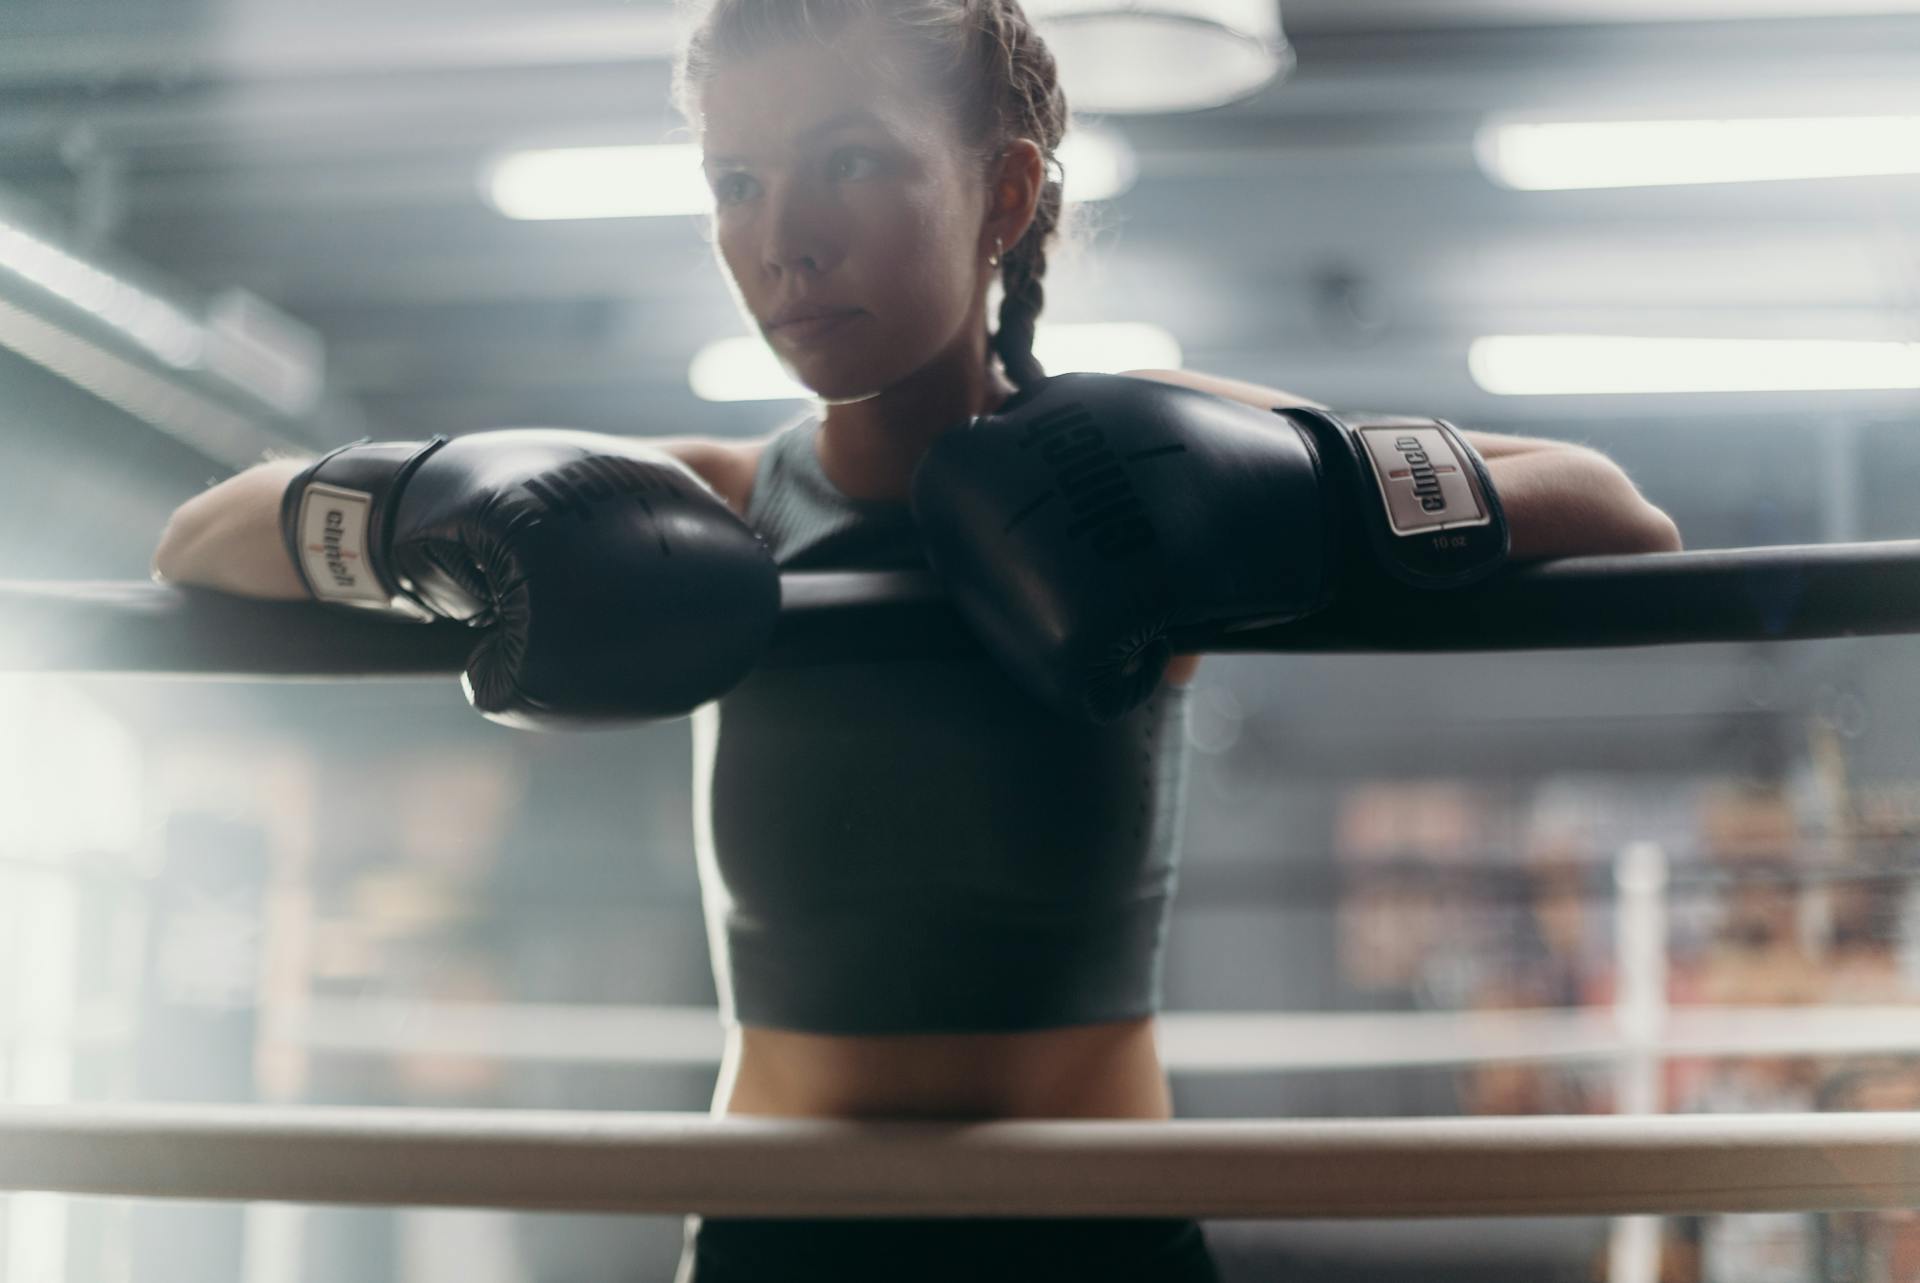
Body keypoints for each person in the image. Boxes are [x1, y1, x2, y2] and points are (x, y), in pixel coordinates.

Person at [151, 1, 1684, 1276]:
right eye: (736, 180)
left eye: (851, 162)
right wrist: (432, 506)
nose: (784, 239)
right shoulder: (717, 503)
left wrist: (1312, 496)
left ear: (1003, 194)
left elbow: (1615, 510)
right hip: (781, 1238)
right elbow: (203, 539)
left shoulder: (1154, 470)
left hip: (1093, 1234)